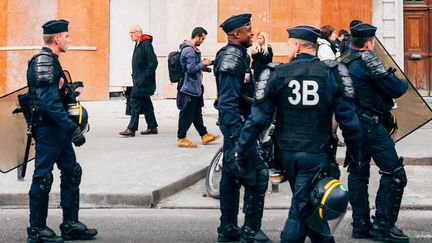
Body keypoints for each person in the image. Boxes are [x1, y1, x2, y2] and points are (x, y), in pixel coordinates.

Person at [233, 25, 362, 242]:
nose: (288, 48)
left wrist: (241, 149)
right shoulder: (331, 73)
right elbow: (349, 119)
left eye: (290, 44)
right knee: (301, 208)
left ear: (298, 45)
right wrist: (356, 152)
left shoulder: (278, 73)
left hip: (286, 153)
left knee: (308, 204)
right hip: (316, 152)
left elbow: (258, 118)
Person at [26, 19, 97, 242]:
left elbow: (53, 94)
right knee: (43, 177)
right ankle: (36, 230)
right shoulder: (44, 61)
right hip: (49, 129)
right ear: (57, 38)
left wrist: (69, 90)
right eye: (66, 36)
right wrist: (72, 129)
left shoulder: (52, 61)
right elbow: (48, 102)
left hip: (58, 129)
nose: (69, 39)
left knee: (71, 171)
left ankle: (70, 224)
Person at [341, 23, 409, 242]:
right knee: (394, 172)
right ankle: (383, 225)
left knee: (358, 172)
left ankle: (360, 225)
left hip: (350, 126)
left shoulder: (342, 61)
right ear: (369, 43)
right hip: (370, 126)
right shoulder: (367, 61)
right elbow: (396, 89)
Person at [214, 13, 271, 243]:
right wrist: (239, 138)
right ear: (236, 34)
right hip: (238, 128)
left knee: (230, 176)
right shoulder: (232, 58)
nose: (252, 32)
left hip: (239, 126)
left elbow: (239, 96)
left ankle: (227, 228)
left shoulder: (237, 55)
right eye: (249, 29)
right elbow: (227, 102)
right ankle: (250, 230)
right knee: (258, 175)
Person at [176, 27, 220, 148]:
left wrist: (207, 64)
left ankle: (204, 135)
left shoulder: (191, 49)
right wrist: (202, 64)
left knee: (196, 113)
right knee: (187, 113)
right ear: (197, 36)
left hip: (194, 87)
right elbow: (190, 69)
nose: (203, 41)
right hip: (188, 87)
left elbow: (194, 66)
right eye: (203, 38)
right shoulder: (189, 51)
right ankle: (181, 138)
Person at [119, 24, 159, 137]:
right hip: (139, 80)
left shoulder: (146, 44)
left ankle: (131, 129)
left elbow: (153, 63)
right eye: (130, 33)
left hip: (143, 82)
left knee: (134, 101)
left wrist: (143, 77)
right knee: (146, 103)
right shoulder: (138, 44)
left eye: (132, 33)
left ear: (139, 33)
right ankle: (152, 127)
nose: (130, 35)